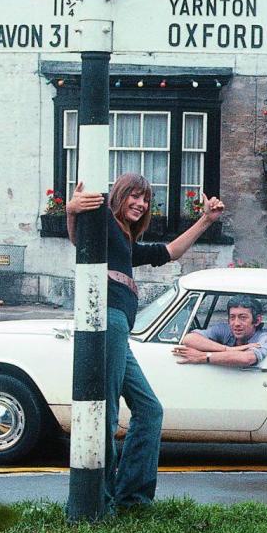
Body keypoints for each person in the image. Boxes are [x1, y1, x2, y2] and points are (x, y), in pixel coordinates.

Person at [66, 172, 225, 511]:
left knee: (149, 410)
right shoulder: (105, 221)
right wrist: (71, 209)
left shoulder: (125, 242)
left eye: (146, 200)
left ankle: (132, 499)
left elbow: (170, 252)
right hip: (107, 322)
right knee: (104, 414)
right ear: (119, 196)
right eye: (134, 196)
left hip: (119, 329)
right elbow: (80, 235)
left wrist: (206, 221)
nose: (140, 204)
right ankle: (98, 500)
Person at [172, 295, 267, 367]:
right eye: (232, 317)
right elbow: (189, 339)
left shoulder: (264, 337)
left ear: (257, 320)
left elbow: (246, 358)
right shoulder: (225, 329)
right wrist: (228, 349)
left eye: (243, 318)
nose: (236, 323)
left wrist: (203, 357)